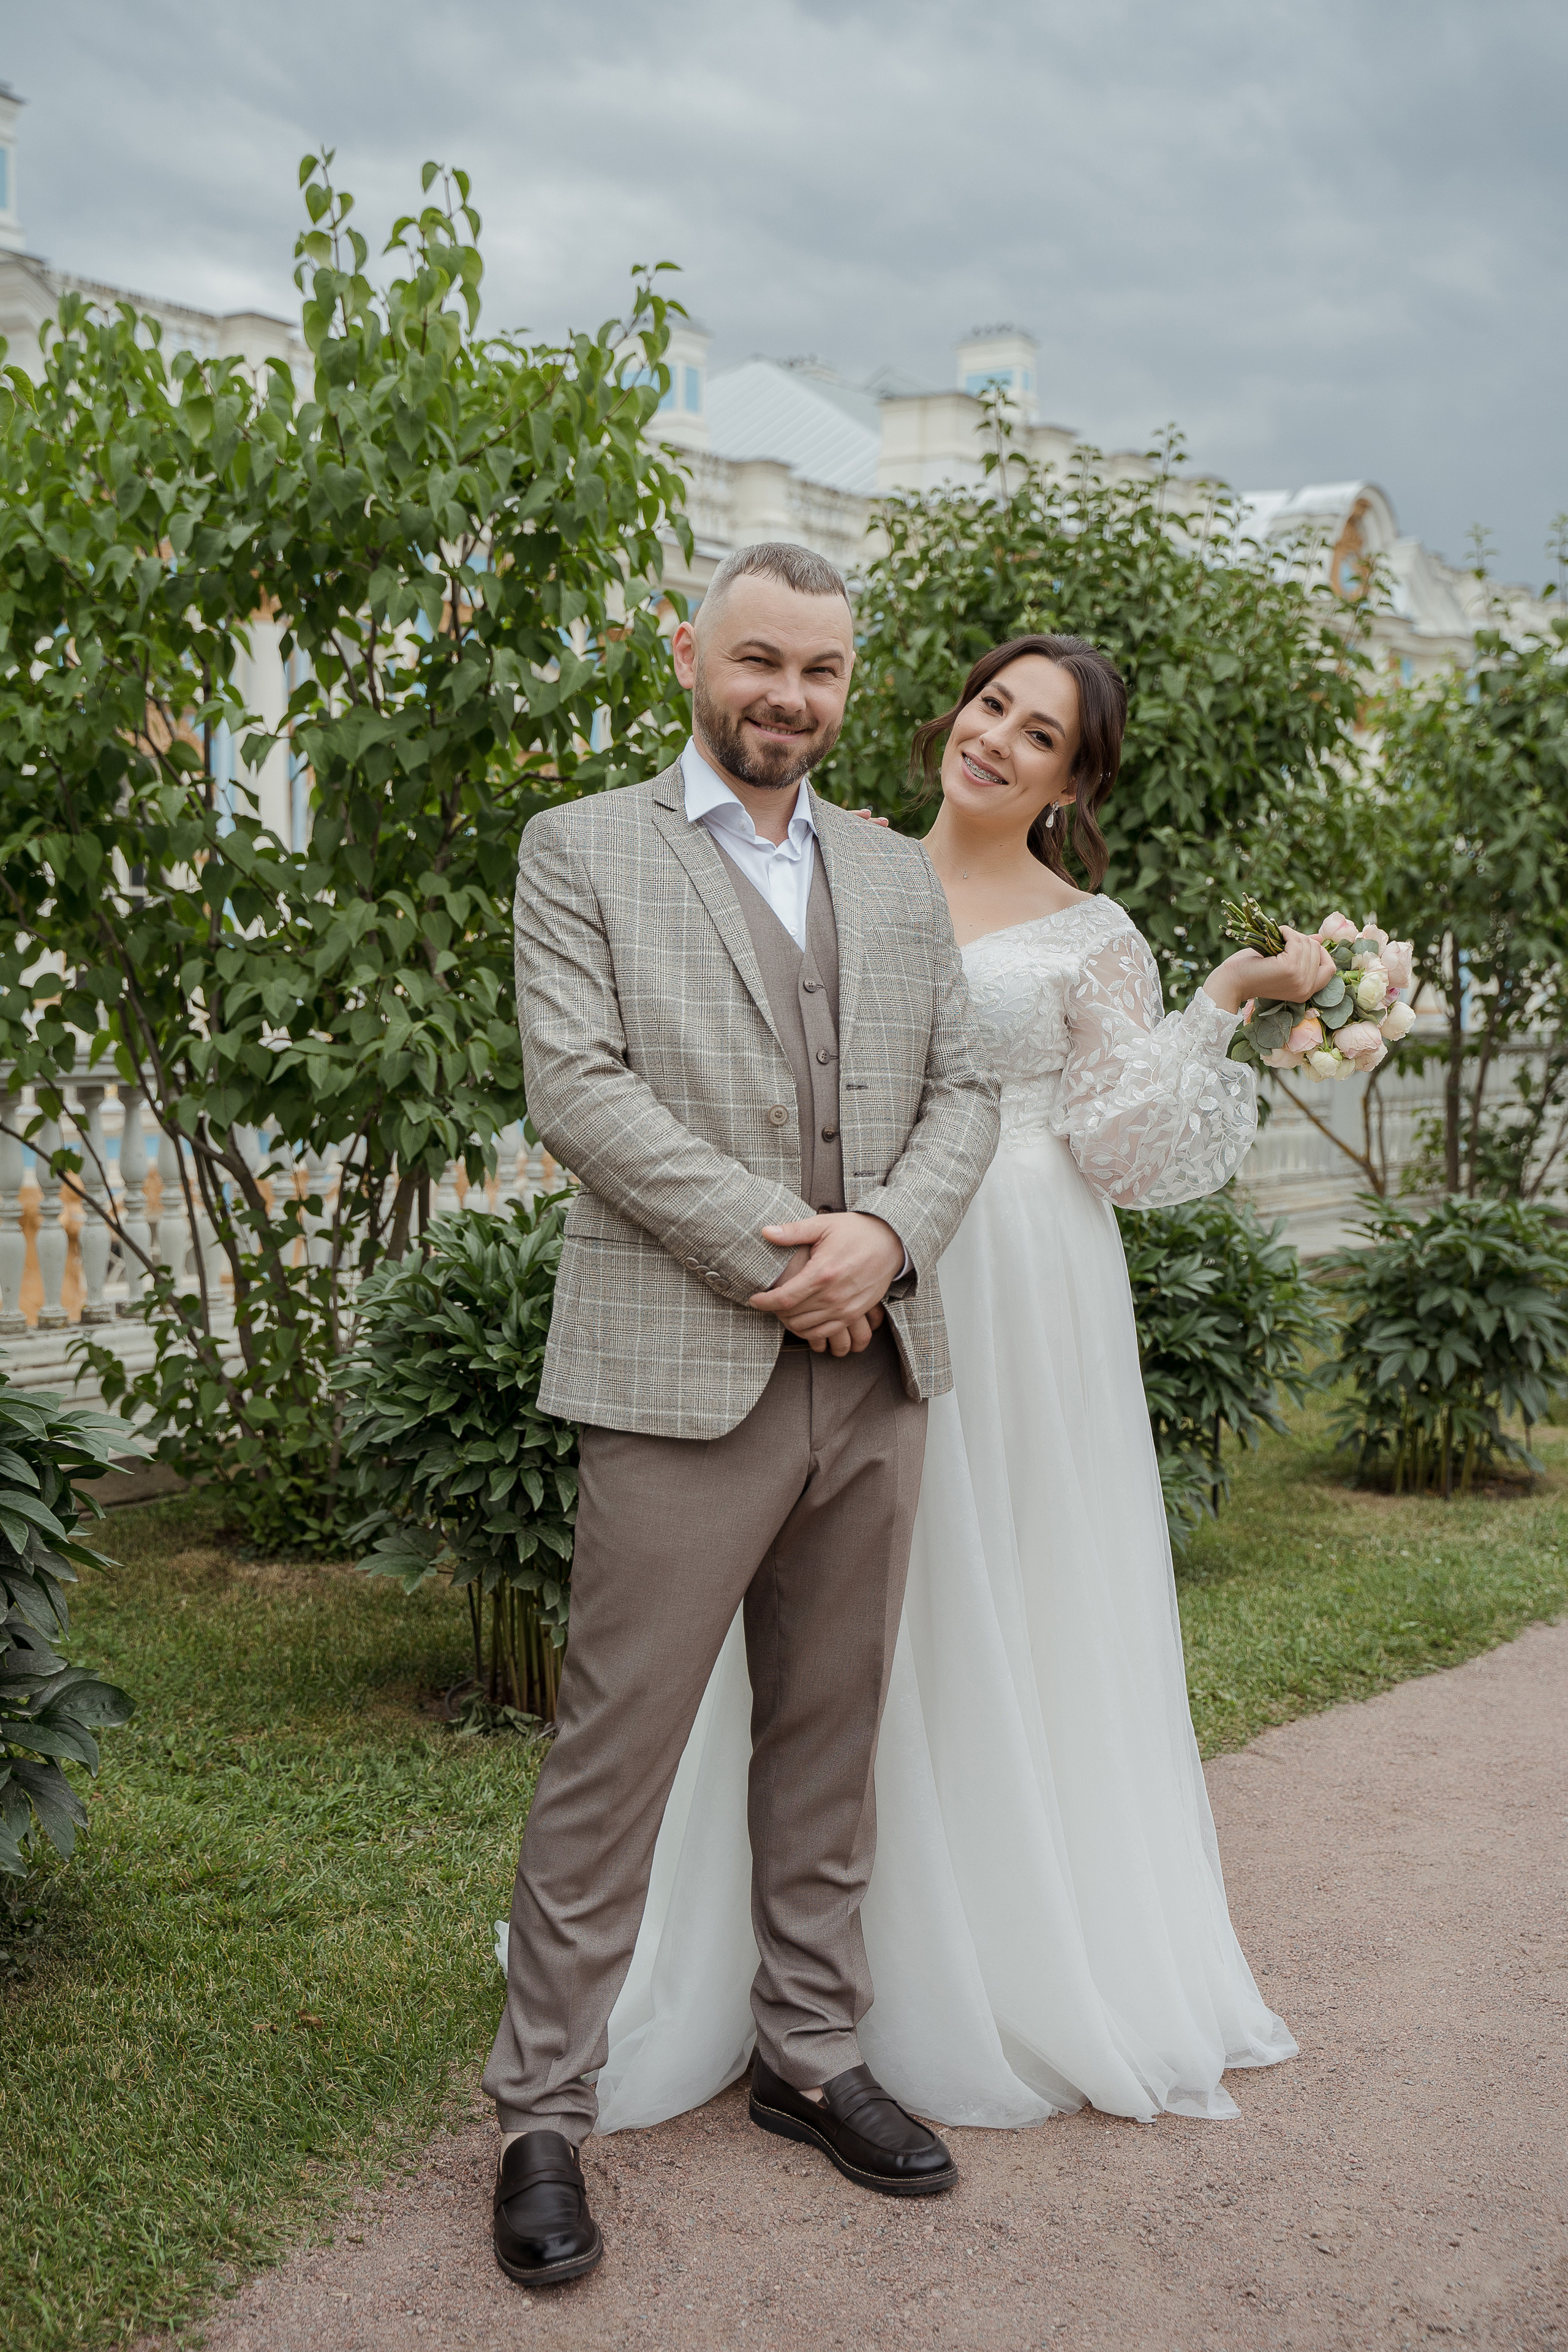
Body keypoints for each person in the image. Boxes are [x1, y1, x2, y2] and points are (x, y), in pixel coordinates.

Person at [569, 633, 1321, 2144]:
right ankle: (785, 1975)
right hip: (848, 1266)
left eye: (1036, 736)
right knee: (834, 1620)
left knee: (1008, 1595)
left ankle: (993, 1957)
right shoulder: (831, 860)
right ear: (950, 714)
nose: (995, 741)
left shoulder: (1088, 930)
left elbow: (1122, 1151)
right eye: (989, 706)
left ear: (1065, 783)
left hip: (1026, 1278)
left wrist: (1223, 1002)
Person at [486, 545, 1001, 2286]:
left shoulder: (891, 868)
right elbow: (579, 1091)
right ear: (691, 653)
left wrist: (892, 1237)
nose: (791, 697)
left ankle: (812, 2053)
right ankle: (543, 2109)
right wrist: (790, 1254)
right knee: (612, 1753)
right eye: (761, 660)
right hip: (679, 1372)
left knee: (829, 1736)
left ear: (853, 687)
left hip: (877, 1373)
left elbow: (963, 1091)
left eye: (826, 672)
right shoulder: (582, 849)